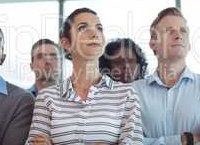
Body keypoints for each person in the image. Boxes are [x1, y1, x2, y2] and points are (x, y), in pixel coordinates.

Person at [26, 8, 144, 144]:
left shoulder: (127, 94)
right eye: (83, 27)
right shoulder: (46, 97)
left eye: (99, 28)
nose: (94, 33)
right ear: (66, 43)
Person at [133, 7, 200, 145]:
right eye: (169, 30)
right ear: (153, 44)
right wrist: (185, 140)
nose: (178, 35)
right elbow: (124, 142)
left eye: (183, 31)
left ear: (189, 45)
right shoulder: (131, 93)